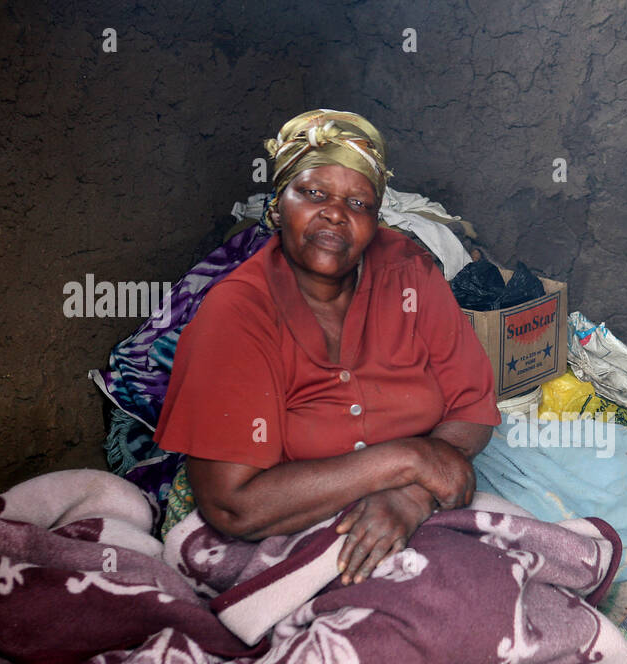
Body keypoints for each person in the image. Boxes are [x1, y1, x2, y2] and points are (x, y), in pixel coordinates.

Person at [154, 110, 501, 584]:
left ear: (375, 221)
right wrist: (408, 459)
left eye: (358, 203)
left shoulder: (408, 271)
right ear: (278, 204)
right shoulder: (237, 313)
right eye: (313, 193)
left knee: (489, 586)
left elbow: (471, 406)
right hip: (277, 522)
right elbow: (234, 506)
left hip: (414, 504)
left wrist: (411, 496)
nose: (336, 213)